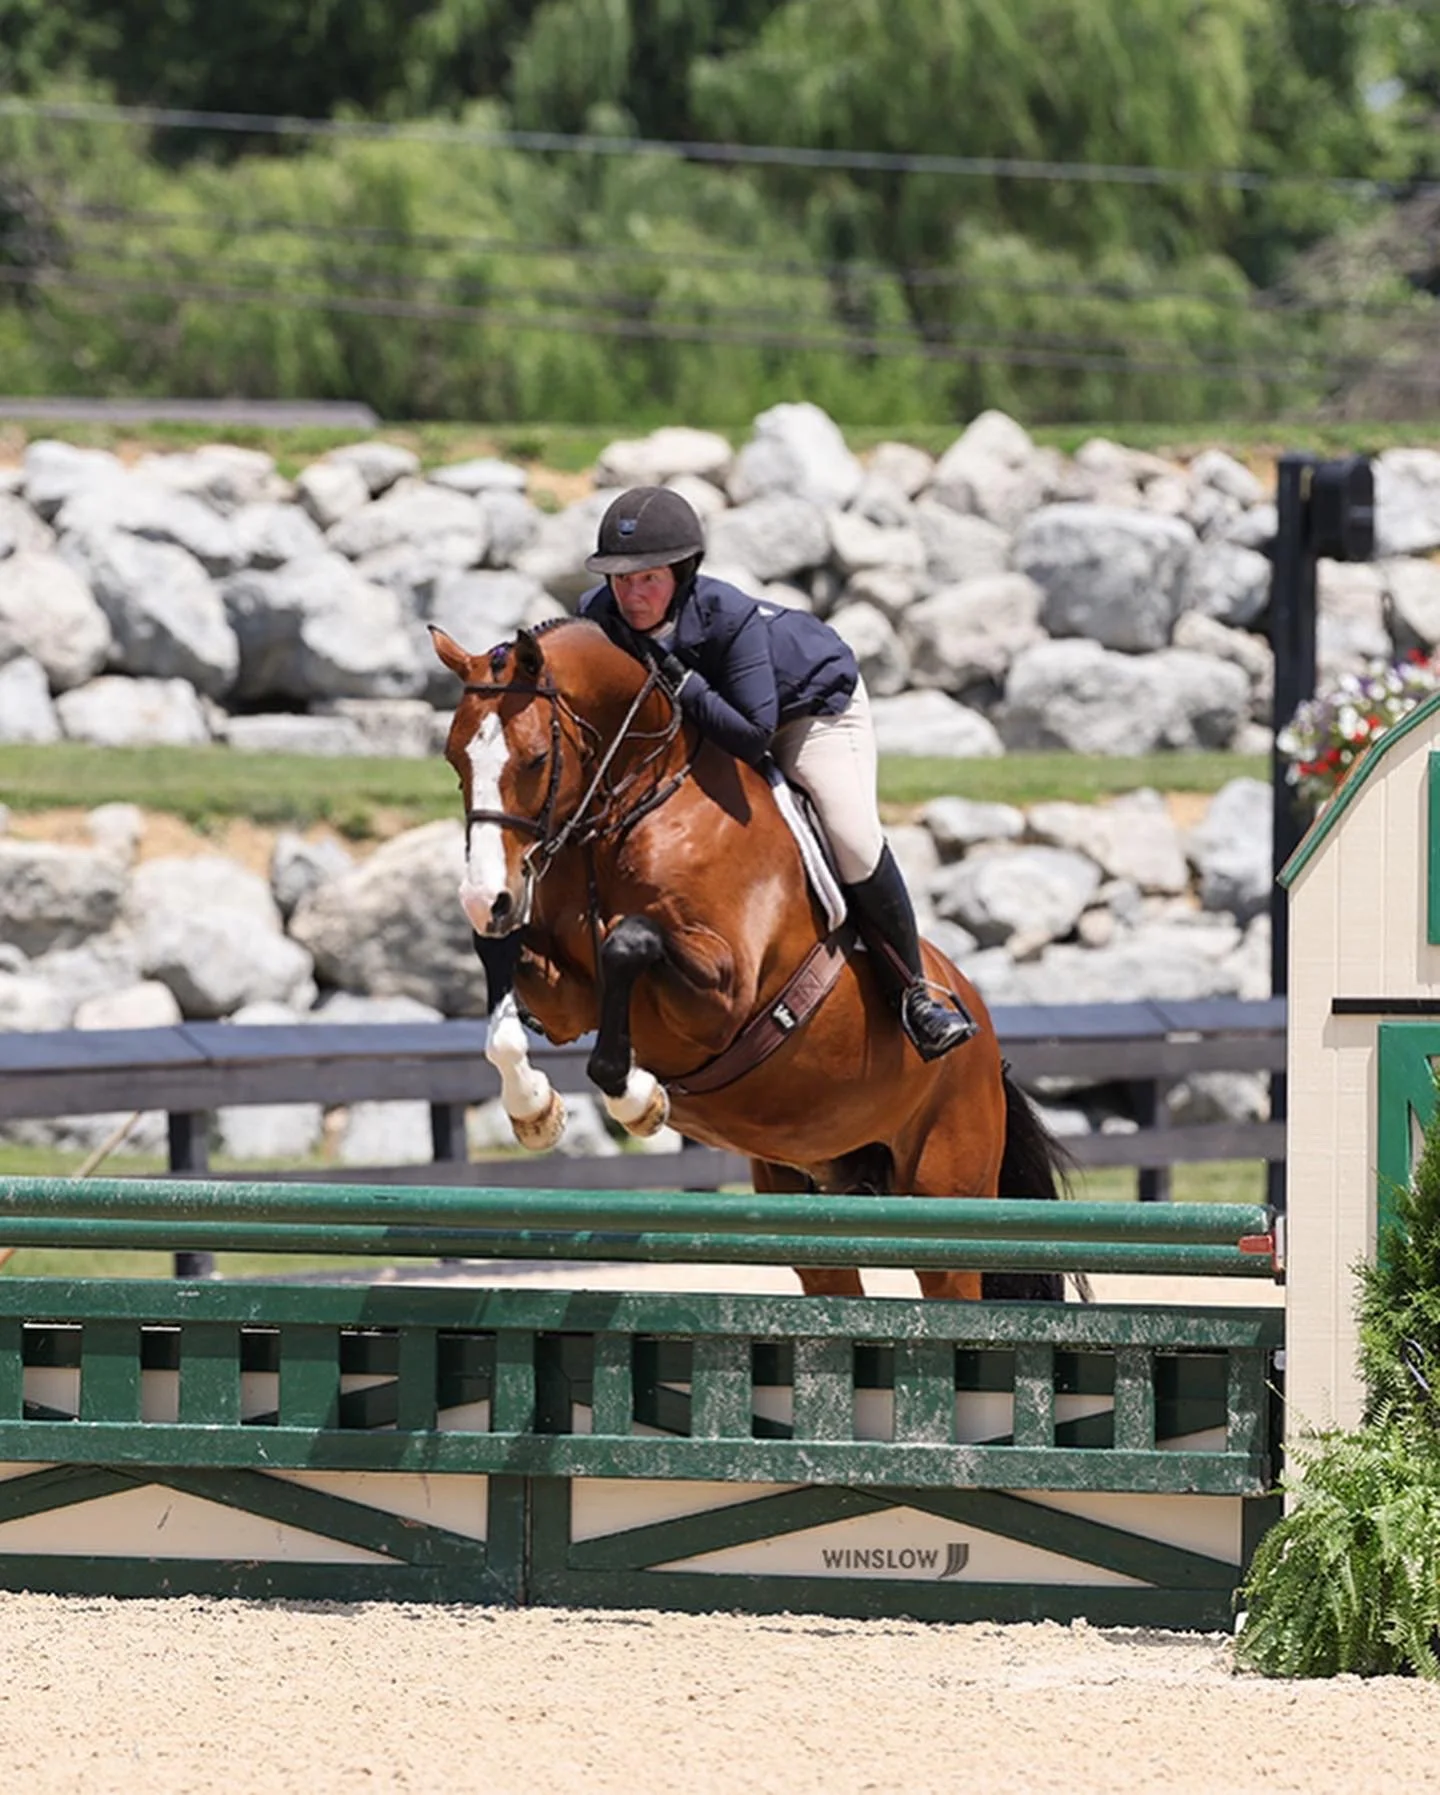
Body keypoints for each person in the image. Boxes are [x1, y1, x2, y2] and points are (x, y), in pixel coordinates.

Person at [579, 485, 976, 1060]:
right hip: (709, 722)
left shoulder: (728, 619)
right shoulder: (598, 616)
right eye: (620, 579)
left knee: (851, 836)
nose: (631, 596)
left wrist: (681, 682)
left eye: (648, 579)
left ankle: (916, 996)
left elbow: (751, 735)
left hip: (806, 711)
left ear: (684, 573)